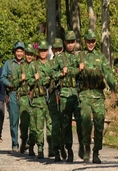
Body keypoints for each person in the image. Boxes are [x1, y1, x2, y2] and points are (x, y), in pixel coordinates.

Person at [78, 29, 116, 164]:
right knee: (86, 123)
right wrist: (78, 69)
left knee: (99, 124)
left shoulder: (100, 57)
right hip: (85, 96)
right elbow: (70, 73)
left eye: (93, 41)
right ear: (85, 41)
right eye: (88, 41)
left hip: (98, 96)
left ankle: (96, 152)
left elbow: (108, 73)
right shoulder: (80, 56)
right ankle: (86, 148)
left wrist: (112, 87)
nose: (90, 43)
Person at [52, 32, 84, 162]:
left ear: (75, 42)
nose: (70, 44)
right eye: (68, 42)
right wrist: (61, 73)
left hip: (77, 94)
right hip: (64, 94)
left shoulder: (79, 57)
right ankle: (69, 149)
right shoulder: (60, 58)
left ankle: (82, 146)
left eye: (72, 42)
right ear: (65, 43)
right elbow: (52, 73)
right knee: (65, 125)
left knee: (81, 122)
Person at [26, 40, 53, 159]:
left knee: (50, 125)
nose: (43, 52)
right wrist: (35, 79)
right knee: (38, 127)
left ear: (47, 51)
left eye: (44, 50)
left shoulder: (52, 65)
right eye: (40, 50)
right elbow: (28, 81)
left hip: (50, 100)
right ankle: (40, 148)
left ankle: (51, 147)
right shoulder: (33, 65)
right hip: (38, 100)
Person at [0, 41, 25, 152]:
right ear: (15, 52)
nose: (19, 53)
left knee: (25, 120)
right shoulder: (8, 63)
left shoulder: (28, 63)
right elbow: (2, 78)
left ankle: (25, 141)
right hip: (13, 94)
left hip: (25, 95)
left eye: (21, 51)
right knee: (14, 121)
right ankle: (15, 143)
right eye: (17, 51)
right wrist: (9, 84)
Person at [12, 44, 35, 154]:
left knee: (34, 123)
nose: (29, 56)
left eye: (31, 54)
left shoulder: (37, 66)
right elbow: (13, 84)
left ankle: (31, 145)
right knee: (25, 122)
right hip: (24, 97)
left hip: (35, 97)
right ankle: (24, 140)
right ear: (25, 55)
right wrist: (20, 80)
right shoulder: (20, 68)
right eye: (28, 54)